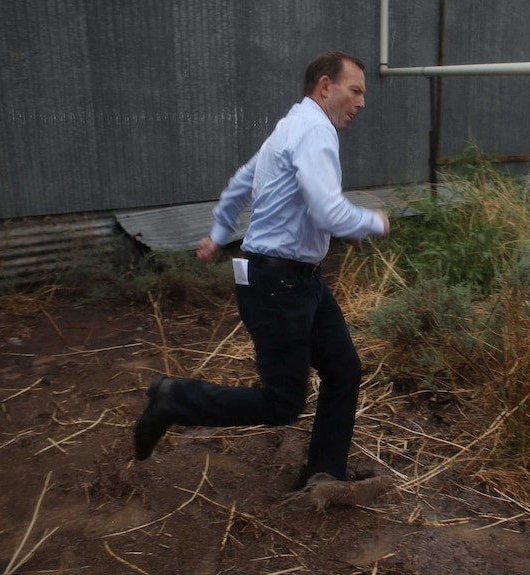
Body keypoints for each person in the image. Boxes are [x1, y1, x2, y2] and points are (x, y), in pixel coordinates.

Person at [133, 51, 390, 486]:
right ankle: (174, 399)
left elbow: (240, 184)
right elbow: (328, 212)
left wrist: (218, 233)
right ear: (325, 86)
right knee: (282, 403)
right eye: (356, 90)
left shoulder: (289, 128)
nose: (361, 102)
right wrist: (374, 222)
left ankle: (325, 474)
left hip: (299, 280)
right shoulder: (315, 132)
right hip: (278, 284)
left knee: (344, 369)